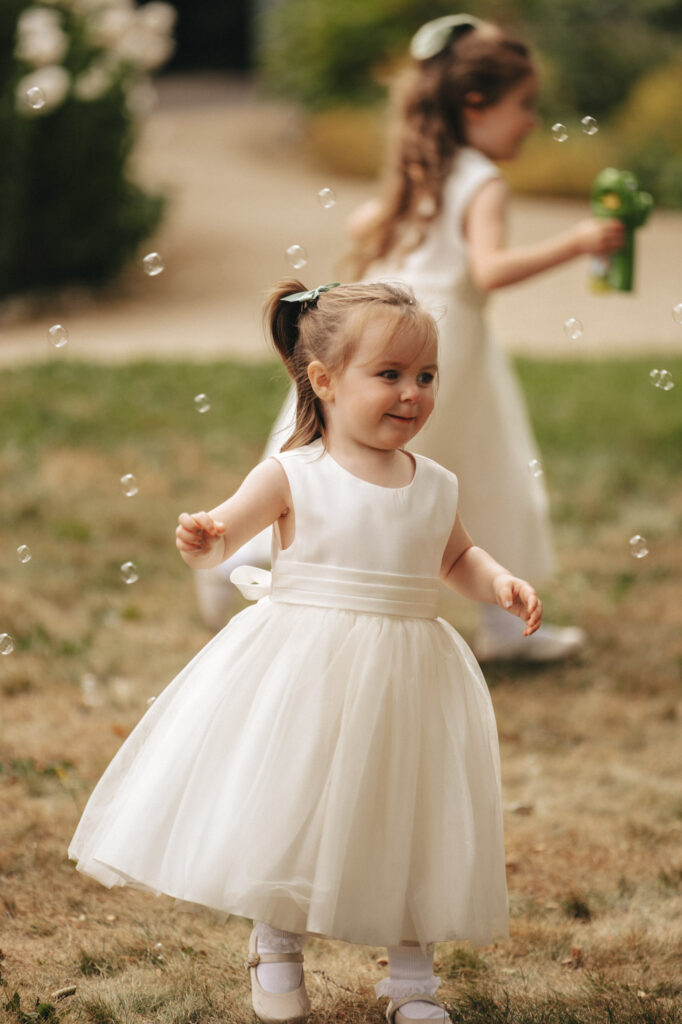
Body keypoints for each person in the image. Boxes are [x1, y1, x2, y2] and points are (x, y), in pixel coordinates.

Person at [69, 279, 542, 1024]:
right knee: (294, 806)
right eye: (388, 375)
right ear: (323, 380)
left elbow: (455, 558)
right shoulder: (293, 474)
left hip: (408, 674)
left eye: (426, 376)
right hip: (310, 669)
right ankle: (277, 946)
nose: (412, 394)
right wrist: (205, 541)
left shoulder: (436, 484)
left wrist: (499, 582)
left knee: (408, 814)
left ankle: (412, 981)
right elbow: (223, 535)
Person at [344, 12, 625, 662]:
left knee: (387, 463)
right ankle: (497, 621)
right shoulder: (483, 179)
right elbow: (489, 271)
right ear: (476, 103)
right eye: (523, 105)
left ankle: (499, 623)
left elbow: (365, 223)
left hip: (390, 328)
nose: (531, 119)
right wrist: (579, 242)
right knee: (466, 469)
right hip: (444, 339)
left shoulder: (429, 163)